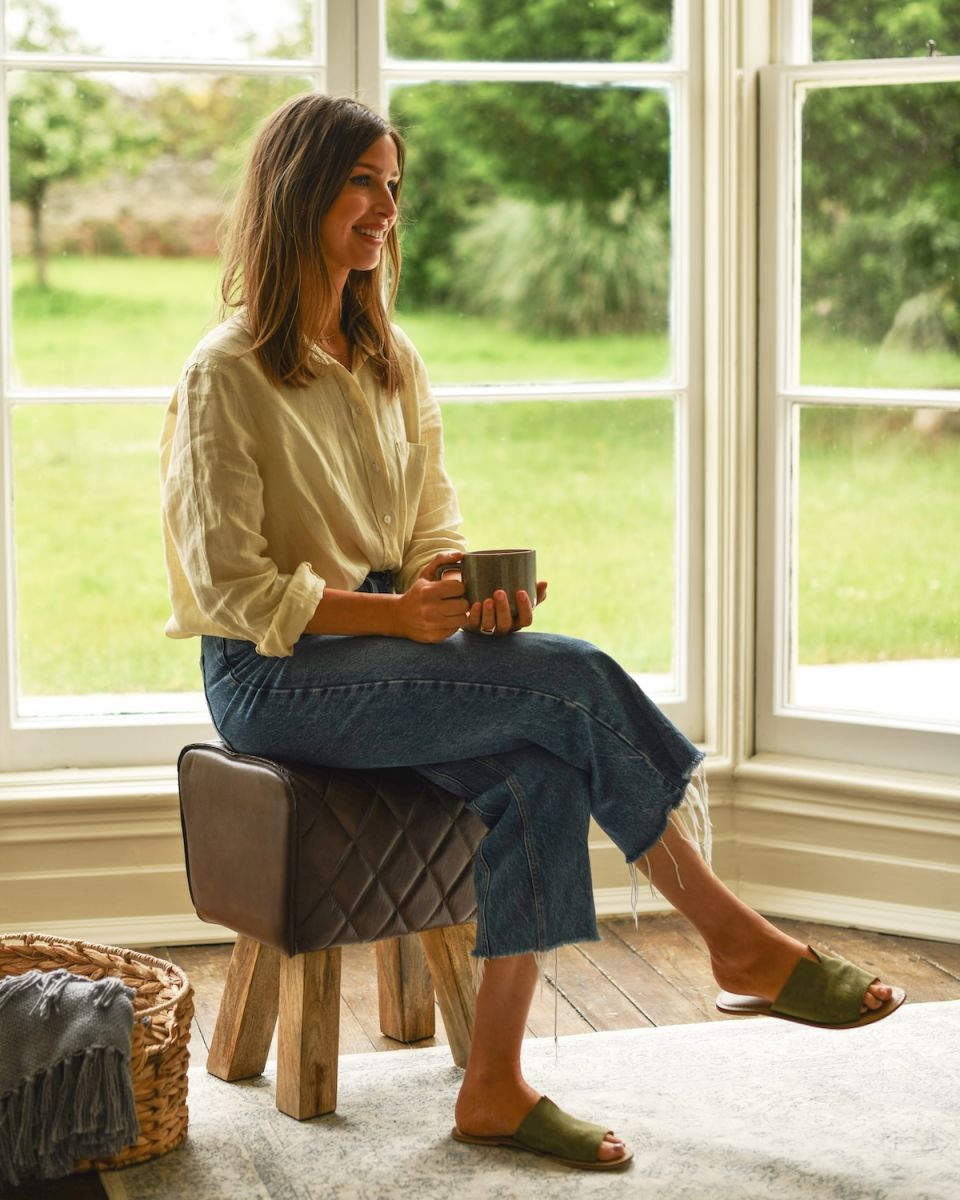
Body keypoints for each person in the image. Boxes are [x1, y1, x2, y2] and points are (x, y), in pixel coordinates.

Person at [160, 93, 905, 1172]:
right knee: (575, 685)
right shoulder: (224, 371)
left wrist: (457, 590)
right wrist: (395, 613)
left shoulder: (389, 360)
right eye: (362, 181)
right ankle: (736, 939)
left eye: (393, 184)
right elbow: (231, 588)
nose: (385, 207)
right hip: (274, 673)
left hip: (385, 647)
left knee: (542, 774)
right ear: (298, 191)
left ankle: (496, 1086)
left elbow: (428, 532)